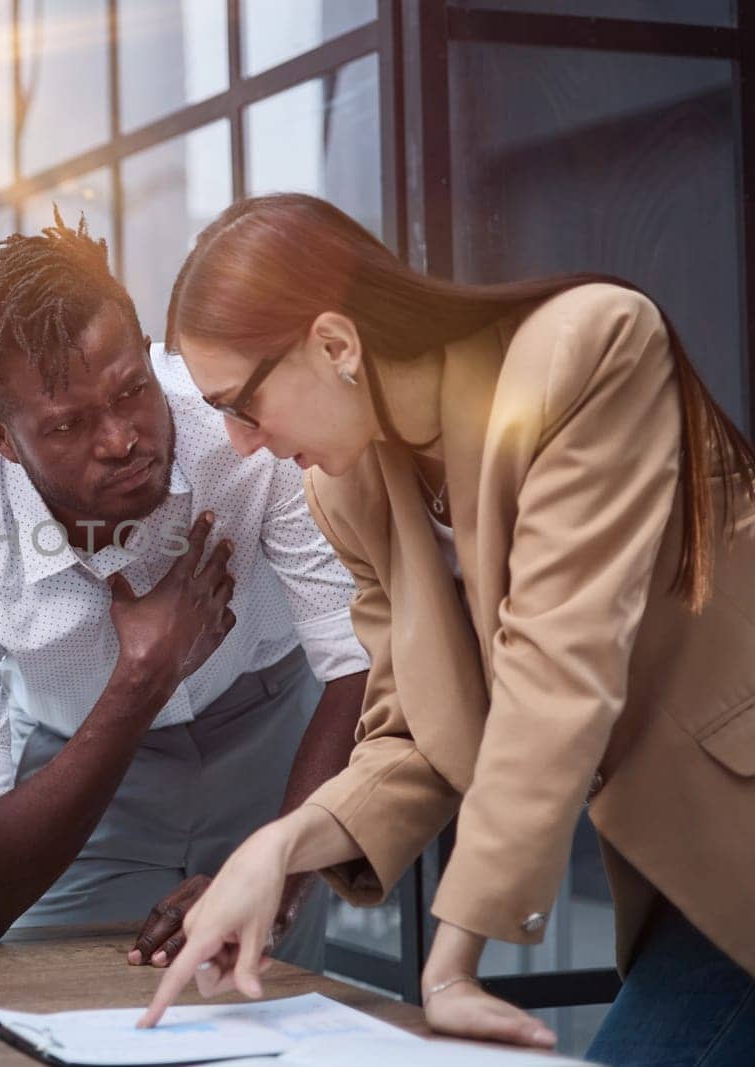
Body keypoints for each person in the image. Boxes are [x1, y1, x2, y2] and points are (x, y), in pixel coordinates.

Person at [142, 193, 755, 1065]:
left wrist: (455, 960)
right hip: (681, 871)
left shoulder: (590, 348)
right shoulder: (347, 489)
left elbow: (558, 669)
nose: (241, 445)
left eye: (243, 404)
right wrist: (279, 847)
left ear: (335, 343)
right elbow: (416, 734)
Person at [0, 214, 370, 971]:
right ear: (3, 438)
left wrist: (280, 872)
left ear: (148, 355)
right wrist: (144, 672)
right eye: (69, 424)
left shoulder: (246, 432)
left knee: (258, 1000)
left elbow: (355, 665)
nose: (120, 438)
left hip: (276, 734)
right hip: (81, 769)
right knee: (76, 1001)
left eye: (132, 390)